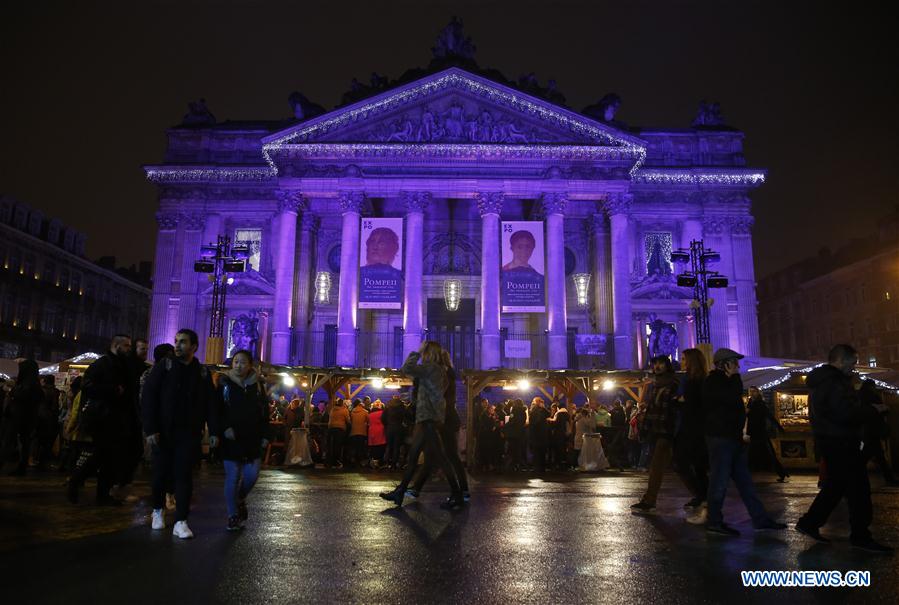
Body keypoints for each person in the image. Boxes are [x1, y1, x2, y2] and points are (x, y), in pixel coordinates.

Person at [795, 345, 893, 553]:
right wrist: (872, 410)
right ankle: (860, 536)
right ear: (840, 360)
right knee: (858, 489)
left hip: (832, 440)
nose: (854, 367)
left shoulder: (823, 381)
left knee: (836, 486)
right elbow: (845, 413)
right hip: (842, 440)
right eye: (852, 362)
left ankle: (810, 522)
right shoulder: (833, 382)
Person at [142, 329, 216, 539]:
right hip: (162, 432)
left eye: (183, 342)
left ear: (194, 346)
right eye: (176, 341)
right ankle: (158, 509)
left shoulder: (201, 372)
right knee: (160, 474)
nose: (177, 345)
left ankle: (181, 520)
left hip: (189, 432)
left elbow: (210, 403)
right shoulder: (163, 367)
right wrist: (150, 429)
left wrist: (213, 430)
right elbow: (149, 398)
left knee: (184, 476)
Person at [703, 348, 786, 536]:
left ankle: (760, 519)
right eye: (734, 362)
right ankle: (714, 522)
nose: (738, 365)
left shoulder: (731, 381)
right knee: (719, 482)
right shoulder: (713, 382)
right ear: (724, 364)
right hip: (720, 438)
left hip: (733, 438)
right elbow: (726, 402)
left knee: (746, 482)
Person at [379, 342, 463, 509]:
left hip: (428, 417)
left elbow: (406, 368)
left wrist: (416, 352)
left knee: (439, 457)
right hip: (429, 417)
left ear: (428, 352)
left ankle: (457, 494)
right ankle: (400, 491)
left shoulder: (429, 368)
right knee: (414, 456)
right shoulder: (440, 371)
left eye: (425, 351)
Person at [213, 350, 269, 531]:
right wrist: (223, 428)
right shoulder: (224, 383)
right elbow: (217, 409)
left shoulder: (259, 386)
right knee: (232, 476)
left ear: (250, 365)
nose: (238, 365)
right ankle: (232, 516)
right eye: (236, 362)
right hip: (231, 437)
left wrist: (266, 435)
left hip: (253, 438)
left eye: (243, 362)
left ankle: (240, 497)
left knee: (252, 475)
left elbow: (265, 412)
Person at [408, 349, 469, 500]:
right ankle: (461, 491)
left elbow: (437, 396)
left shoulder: (440, 374)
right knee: (438, 455)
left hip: (440, 418)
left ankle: (459, 491)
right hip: (445, 418)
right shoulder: (448, 373)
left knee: (443, 455)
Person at [81, 335, 135, 505]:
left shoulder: (123, 364)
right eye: (126, 345)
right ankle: (78, 480)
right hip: (103, 417)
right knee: (102, 455)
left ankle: (103, 494)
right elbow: (87, 386)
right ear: (116, 345)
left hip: (118, 417)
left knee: (109, 458)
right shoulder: (102, 364)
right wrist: (112, 390)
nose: (129, 349)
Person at [631, 356, 680, 514]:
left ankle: (650, 500)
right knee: (664, 466)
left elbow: (674, 408)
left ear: (667, 365)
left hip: (668, 430)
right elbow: (652, 409)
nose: (657, 366)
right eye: (655, 364)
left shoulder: (674, 384)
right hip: (658, 431)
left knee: (663, 466)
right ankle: (649, 500)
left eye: (661, 363)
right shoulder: (655, 386)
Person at [676, 348, 711, 524]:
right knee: (698, 468)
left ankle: (705, 501)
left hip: (693, 430)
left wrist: (679, 401)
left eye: (683, 358)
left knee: (688, 465)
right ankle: (704, 500)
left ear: (691, 361)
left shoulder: (693, 382)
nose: (681, 361)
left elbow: (690, 405)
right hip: (697, 429)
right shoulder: (701, 380)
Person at [3, 360, 43, 475]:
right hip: (28, 419)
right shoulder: (35, 384)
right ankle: (22, 466)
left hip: (17, 417)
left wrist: (11, 391)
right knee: (25, 443)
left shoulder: (27, 384)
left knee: (8, 441)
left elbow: (21, 395)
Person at [745, 386, 788, 482]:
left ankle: (781, 472)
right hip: (755, 432)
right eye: (750, 391)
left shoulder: (760, 403)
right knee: (759, 453)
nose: (752, 393)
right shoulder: (751, 403)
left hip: (759, 432)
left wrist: (778, 427)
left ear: (757, 392)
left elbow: (768, 415)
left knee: (766, 453)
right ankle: (780, 472)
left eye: (753, 391)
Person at [34, 375, 62, 469]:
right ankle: (43, 461)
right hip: (49, 418)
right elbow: (55, 406)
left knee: (38, 439)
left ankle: (36, 459)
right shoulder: (55, 391)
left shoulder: (40, 390)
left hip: (39, 415)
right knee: (47, 441)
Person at [382, 395, 406, 470]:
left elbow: (383, 418)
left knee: (389, 445)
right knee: (396, 446)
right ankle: (393, 464)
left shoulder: (388, 405)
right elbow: (405, 416)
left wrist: (387, 424)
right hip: (398, 428)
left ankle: (387, 463)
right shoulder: (402, 406)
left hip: (390, 427)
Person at [326, 399, 350, 469]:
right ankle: (336, 461)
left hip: (331, 428)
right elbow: (348, 421)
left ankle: (329, 462)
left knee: (331, 446)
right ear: (342, 404)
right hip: (340, 429)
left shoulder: (332, 410)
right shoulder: (344, 410)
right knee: (338, 446)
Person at [528, 397, 550, 473]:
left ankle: (537, 467)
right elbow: (548, 414)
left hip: (537, 434)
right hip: (541, 434)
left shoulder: (534, 410)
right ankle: (541, 467)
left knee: (537, 452)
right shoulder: (540, 410)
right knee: (541, 452)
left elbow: (534, 422)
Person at [349, 397, 370, 467]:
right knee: (361, 447)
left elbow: (350, 421)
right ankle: (360, 461)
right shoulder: (365, 412)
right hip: (362, 432)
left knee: (354, 447)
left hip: (353, 432)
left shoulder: (352, 412)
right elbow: (369, 421)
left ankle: (353, 461)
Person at [368, 401, 387, 468]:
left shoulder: (370, 414)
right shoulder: (382, 413)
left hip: (372, 431)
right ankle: (379, 462)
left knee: (374, 447)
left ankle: (374, 460)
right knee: (381, 446)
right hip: (381, 431)